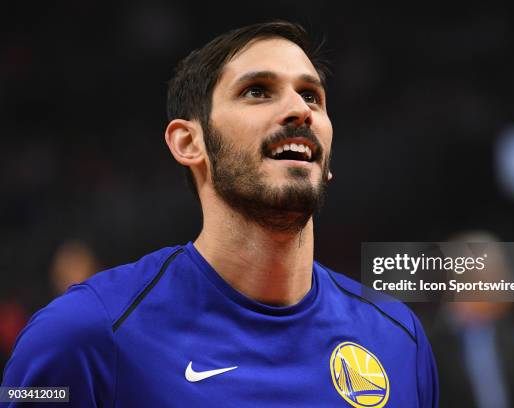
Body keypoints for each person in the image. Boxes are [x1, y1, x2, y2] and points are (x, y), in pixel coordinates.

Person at [1, 21, 438, 407]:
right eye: (257, 91)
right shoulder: (85, 334)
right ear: (189, 143)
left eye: (312, 96)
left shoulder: (399, 338)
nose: (300, 109)